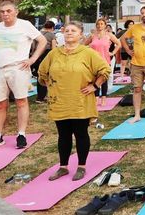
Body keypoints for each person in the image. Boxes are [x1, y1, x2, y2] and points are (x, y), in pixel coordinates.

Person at [38, 21, 111, 181]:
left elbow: (105, 69)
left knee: (80, 133)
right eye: (67, 30)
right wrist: (51, 85)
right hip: (60, 101)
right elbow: (42, 72)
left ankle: (81, 166)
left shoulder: (88, 53)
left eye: (73, 31)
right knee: (63, 134)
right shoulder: (54, 54)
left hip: (80, 100)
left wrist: (95, 86)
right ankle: (63, 167)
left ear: (80, 35)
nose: (69, 33)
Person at [0, 1, 47, 151]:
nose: (5, 14)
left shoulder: (25, 25)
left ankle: (21, 134)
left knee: (21, 102)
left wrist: (32, 59)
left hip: (18, 68)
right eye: (2, 11)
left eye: (8, 11)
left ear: (15, 12)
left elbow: (42, 41)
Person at [84, 18, 121, 107]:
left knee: (104, 80)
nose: (99, 26)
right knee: (95, 80)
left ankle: (104, 98)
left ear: (105, 25)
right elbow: (84, 45)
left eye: (101, 24)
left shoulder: (109, 35)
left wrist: (112, 53)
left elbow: (119, 44)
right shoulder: (92, 36)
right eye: (98, 24)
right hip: (93, 61)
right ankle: (96, 98)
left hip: (105, 60)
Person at [32, 21, 58, 104]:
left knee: (40, 75)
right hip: (46, 56)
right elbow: (54, 49)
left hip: (36, 56)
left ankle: (39, 96)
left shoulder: (38, 33)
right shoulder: (51, 35)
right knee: (47, 76)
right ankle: (43, 96)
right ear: (52, 27)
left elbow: (33, 46)